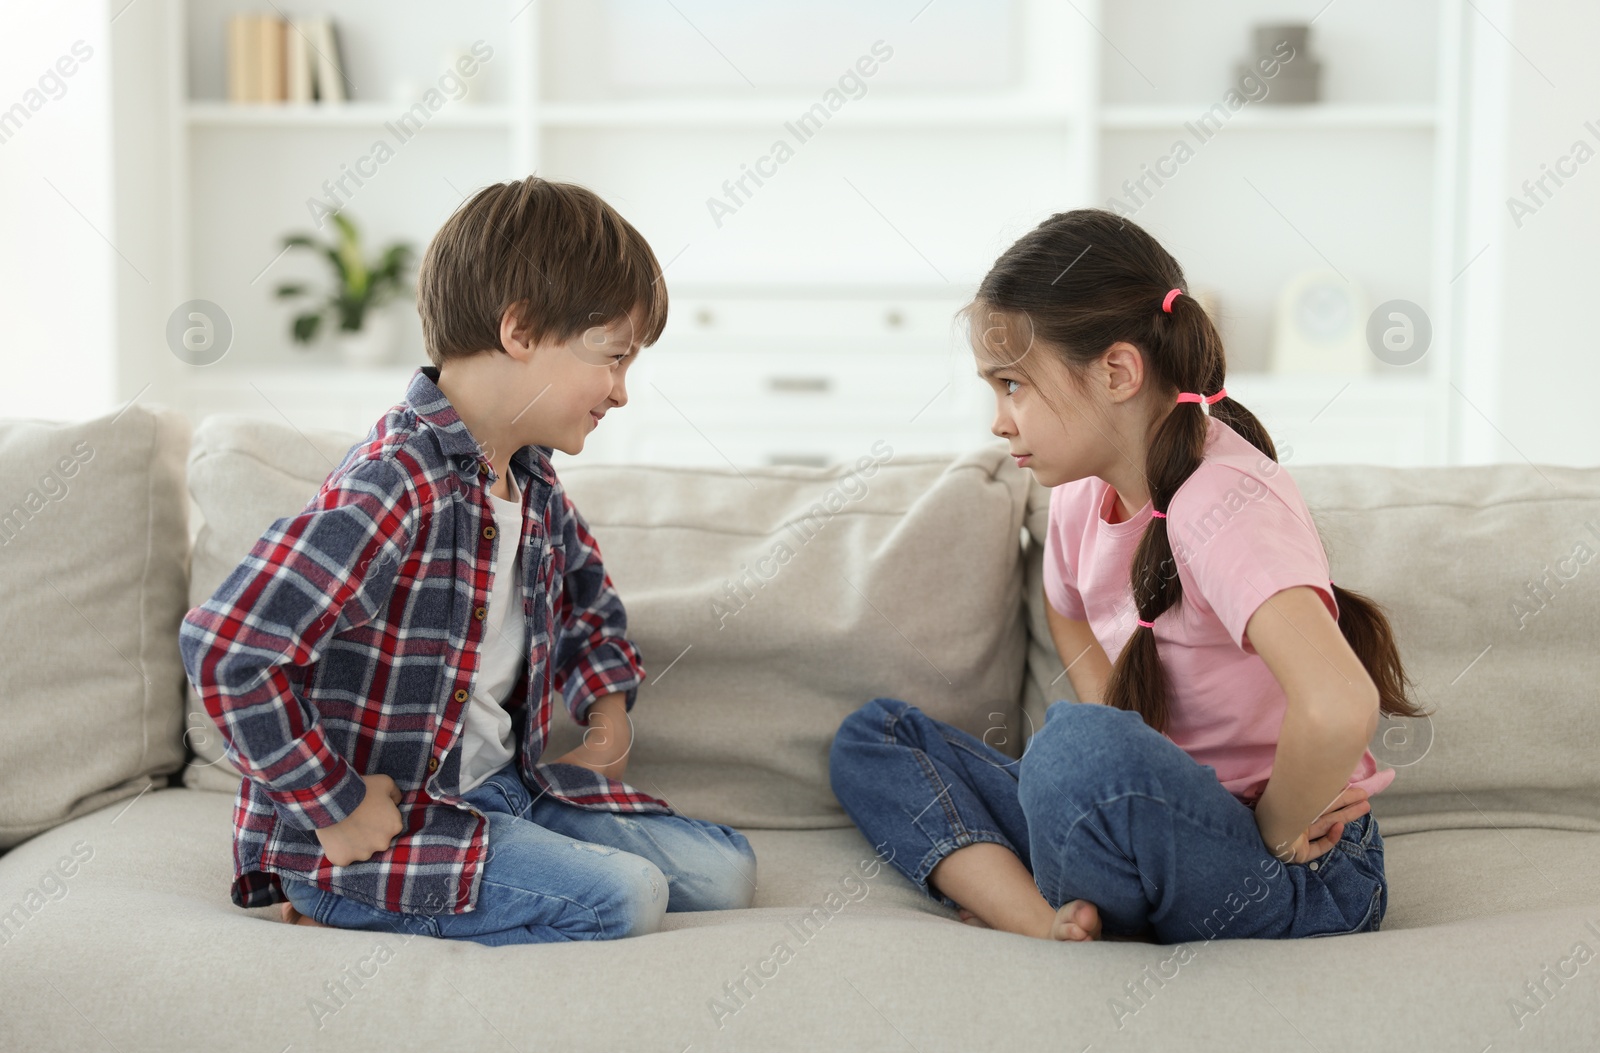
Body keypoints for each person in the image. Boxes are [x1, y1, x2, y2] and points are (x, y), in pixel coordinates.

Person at [179, 177, 756, 946]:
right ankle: (336, 893)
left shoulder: (532, 480)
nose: (621, 392)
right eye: (613, 358)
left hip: (499, 794)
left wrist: (607, 708)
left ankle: (455, 877)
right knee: (630, 898)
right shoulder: (394, 485)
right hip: (392, 827)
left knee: (729, 873)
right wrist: (336, 804)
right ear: (520, 331)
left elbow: (589, 602)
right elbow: (226, 650)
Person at [829, 208, 1427, 945]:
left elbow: (1337, 702)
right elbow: (1068, 614)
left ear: (1116, 370)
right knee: (877, 735)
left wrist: (1274, 828)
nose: (998, 420)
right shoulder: (1080, 491)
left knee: (1073, 751)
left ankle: (1063, 891)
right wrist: (1127, 740)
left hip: (1298, 873)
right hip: (1153, 816)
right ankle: (1045, 918)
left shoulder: (1224, 498)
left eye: (1013, 385)